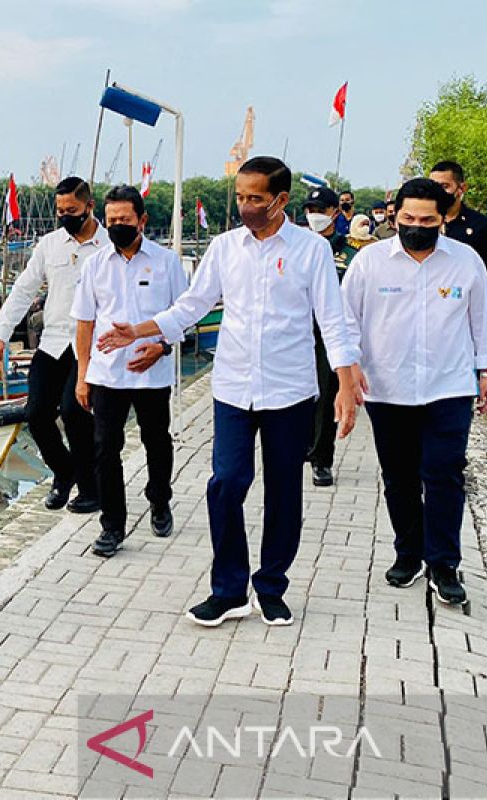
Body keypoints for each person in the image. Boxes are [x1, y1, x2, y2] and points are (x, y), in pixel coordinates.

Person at [98, 156, 361, 627]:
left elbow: (333, 320)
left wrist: (344, 383)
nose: (245, 206)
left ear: (280, 200)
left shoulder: (310, 251)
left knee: (283, 491)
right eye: (240, 197)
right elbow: (191, 306)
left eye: (255, 199)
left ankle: (272, 586)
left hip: (290, 391)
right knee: (225, 484)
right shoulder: (224, 248)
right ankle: (228, 590)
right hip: (234, 388)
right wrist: (140, 331)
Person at [342, 177, 487, 606]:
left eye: (426, 219)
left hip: (448, 386)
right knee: (400, 476)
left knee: (444, 472)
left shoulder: (466, 262)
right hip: (386, 387)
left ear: (442, 218)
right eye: (408, 217)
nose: (416, 225)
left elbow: (483, 318)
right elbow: (345, 318)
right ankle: (408, 552)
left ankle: (445, 562)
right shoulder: (370, 263)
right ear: (395, 216)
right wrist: (350, 368)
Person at [72, 185, 188, 557]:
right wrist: (82, 375)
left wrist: (162, 347)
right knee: (106, 449)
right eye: (111, 221)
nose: (117, 226)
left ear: (142, 220)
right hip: (107, 375)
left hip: (151, 373)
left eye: (124, 219)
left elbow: (183, 317)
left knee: (157, 441)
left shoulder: (167, 263)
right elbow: (85, 324)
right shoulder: (95, 266)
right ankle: (112, 524)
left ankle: (159, 500)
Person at [0, 176, 108, 513]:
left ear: (89, 206)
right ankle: (63, 472)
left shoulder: (109, 245)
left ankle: (90, 488)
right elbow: (24, 289)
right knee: (36, 414)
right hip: (53, 341)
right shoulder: (50, 245)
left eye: (73, 210)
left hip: (91, 345)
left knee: (74, 412)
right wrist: (1, 334)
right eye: (60, 211)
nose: (66, 216)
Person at [302, 187, 351, 488]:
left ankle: (322, 459)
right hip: (296, 332)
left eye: (319, 210)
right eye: (309, 210)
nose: (313, 216)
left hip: (327, 334)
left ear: (334, 211)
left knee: (325, 394)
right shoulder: (298, 247)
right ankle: (303, 447)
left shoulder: (349, 253)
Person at [429, 160, 487, 293]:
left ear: (462, 188)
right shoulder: (423, 223)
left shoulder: (481, 225)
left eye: (445, 186)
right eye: (433, 187)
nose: (438, 192)